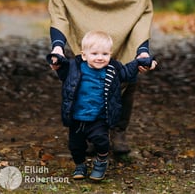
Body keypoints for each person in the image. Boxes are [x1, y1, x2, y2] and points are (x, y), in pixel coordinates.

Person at [48, 0, 157, 153]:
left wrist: (142, 49)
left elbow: (142, 11)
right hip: (89, 40)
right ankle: (88, 132)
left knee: (127, 78)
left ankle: (119, 131)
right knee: (86, 82)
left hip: (125, 35)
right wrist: (57, 45)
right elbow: (59, 6)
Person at [47, 30, 155, 180]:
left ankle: (101, 161)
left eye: (105, 54)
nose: (100, 58)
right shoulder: (74, 67)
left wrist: (143, 61)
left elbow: (128, 71)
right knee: (75, 146)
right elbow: (60, 65)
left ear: (110, 55)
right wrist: (55, 60)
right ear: (84, 55)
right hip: (77, 117)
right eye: (95, 53)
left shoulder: (113, 69)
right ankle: (80, 165)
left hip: (100, 117)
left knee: (102, 141)